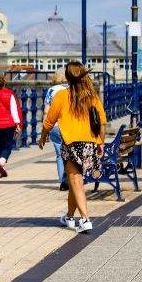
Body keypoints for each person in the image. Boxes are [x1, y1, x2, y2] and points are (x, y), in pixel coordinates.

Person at [38, 61, 106, 234]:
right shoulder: (92, 96)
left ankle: (85, 219)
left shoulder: (62, 95)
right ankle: (69, 216)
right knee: (74, 180)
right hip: (90, 143)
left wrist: (43, 137)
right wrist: (101, 142)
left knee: (75, 180)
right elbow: (102, 122)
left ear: (67, 77)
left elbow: (49, 120)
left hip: (71, 143)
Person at [43, 68, 69, 190]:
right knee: (70, 154)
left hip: (54, 126)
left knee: (59, 155)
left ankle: (62, 181)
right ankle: (70, 179)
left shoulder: (51, 90)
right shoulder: (71, 89)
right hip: (68, 126)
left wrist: (45, 130)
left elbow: (46, 112)